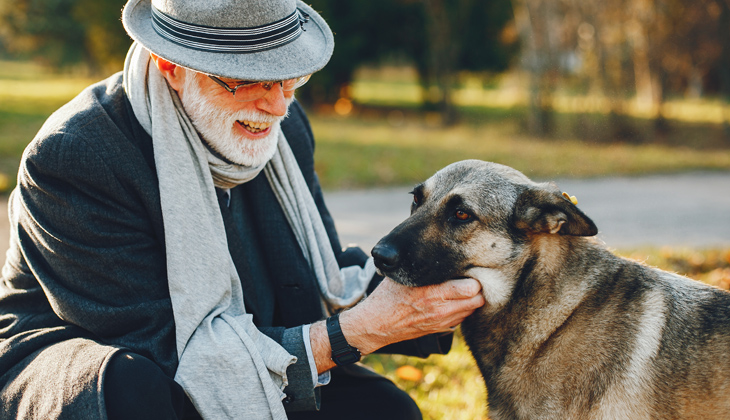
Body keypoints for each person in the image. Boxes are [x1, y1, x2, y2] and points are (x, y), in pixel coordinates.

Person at [0, 0, 485, 418]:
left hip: (246, 339)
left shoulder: (285, 128)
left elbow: (316, 282)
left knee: (385, 410)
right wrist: (361, 329)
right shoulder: (77, 155)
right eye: (248, 79)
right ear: (170, 65)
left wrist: (447, 281)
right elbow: (165, 354)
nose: (276, 105)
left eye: (290, 76)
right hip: (100, 372)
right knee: (132, 389)